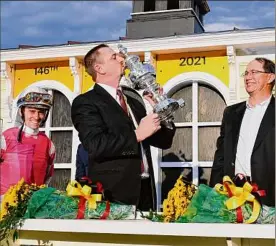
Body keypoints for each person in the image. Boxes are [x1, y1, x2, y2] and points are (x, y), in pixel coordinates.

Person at [71, 44, 176, 211]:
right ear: (99, 68)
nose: (122, 59)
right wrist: (136, 135)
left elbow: (164, 141)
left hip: (145, 191)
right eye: (114, 57)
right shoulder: (86, 102)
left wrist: (162, 111)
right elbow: (96, 145)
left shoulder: (133, 100)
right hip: (112, 194)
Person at [210, 57, 275, 206]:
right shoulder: (231, 113)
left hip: (268, 196)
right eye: (246, 73)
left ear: (270, 77)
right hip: (232, 195)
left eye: (254, 72)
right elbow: (221, 156)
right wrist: (213, 193)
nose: (248, 77)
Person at [0, 86, 55, 196]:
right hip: (5, 204)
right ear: (21, 111)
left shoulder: (49, 144)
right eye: (32, 111)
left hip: (34, 205)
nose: (36, 116)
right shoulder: (6, 137)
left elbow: (48, 176)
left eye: (41, 112)